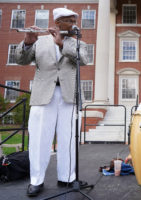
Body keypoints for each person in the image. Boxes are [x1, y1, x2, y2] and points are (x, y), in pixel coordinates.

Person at [16, 8, 88, 197]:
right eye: (69, 20)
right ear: (58, 22)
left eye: (74, 20)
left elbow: (85, 60)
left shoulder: (77, 41)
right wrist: (27, 42)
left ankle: (67, 177)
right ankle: (36, 180)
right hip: (43, 95)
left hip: (68, 95)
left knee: (68, 138)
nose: (73, 23)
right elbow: (21, 60)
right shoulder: (40, 41)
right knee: (40, 138)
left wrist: (63, 44)